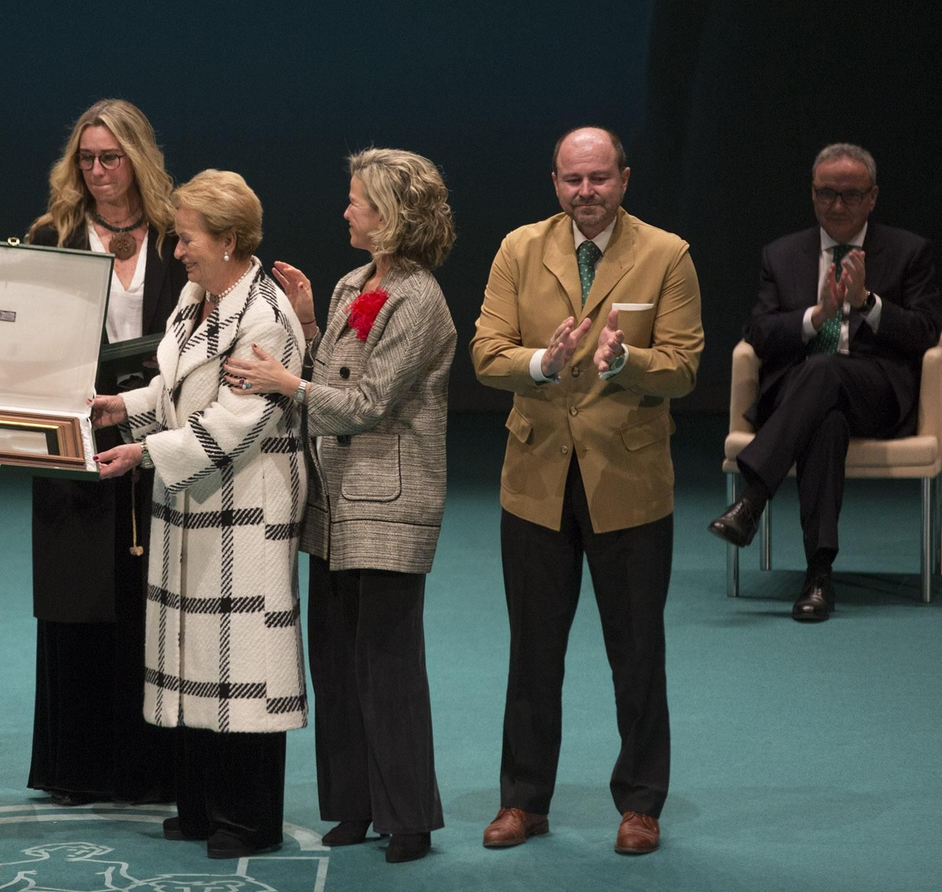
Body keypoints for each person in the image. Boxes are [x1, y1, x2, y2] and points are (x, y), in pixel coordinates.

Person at [469, 126, 703, 856]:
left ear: (625, 179)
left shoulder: (667, 255)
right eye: (573, 179)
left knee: (636, 652)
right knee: (533, 652)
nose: (586, 192)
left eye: (599, 178)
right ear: (555, 182)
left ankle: (640, 804)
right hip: (536, 479)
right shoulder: (519, 248)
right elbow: (485, 352)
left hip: (628, 482)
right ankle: (524, 801)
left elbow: (686, 367)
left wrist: (627, 361)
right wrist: (543, 360)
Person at [224, 148, 456, 865]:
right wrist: (309, 327)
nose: (346, 210)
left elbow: (366, 402)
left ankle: (408, 817)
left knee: (386, 664)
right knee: (336, 660)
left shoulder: (420, 299)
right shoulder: (355, 282)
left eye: (358, 200)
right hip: (333, 502)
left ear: (390, 215)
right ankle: (354, 805)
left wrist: (284, 382)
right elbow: (338, 374)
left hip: (388, 499)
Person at [90, 169, 307, 860]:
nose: (176, 250)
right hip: (194, 505)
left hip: (245, 510)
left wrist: (141, 453)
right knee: (191, 655)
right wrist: (123, 410)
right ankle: (201, 805)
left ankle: (247, 819)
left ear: (229, 239)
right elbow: (176, 387)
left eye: (187, 238)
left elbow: (233, 422)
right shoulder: (197, 298)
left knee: (242, 661)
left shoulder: (265, 316)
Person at [24, 100, 186, 805]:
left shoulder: (180, 238)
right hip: (71, 443)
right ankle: (77, 769)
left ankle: (150, 769)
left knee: (150, 598)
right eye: (86, 159)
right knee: (75, 598)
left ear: (137, 159)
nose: (96, 171)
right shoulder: (51, 236)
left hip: (157, 438)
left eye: (110, 158)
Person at [708, 143, 942, 620]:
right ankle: (818, 576)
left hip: (876, 393)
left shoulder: (908, 251)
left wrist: (868, 302)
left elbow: (925, 332)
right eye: (826, 194)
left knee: (825, 372)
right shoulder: (782, 254)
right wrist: (818, 316)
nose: (837, 205)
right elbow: (758, 332)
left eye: (850, 195)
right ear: (812, 195)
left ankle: (754, 498)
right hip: (804, 399)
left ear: (873, 197)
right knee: (825, 417)